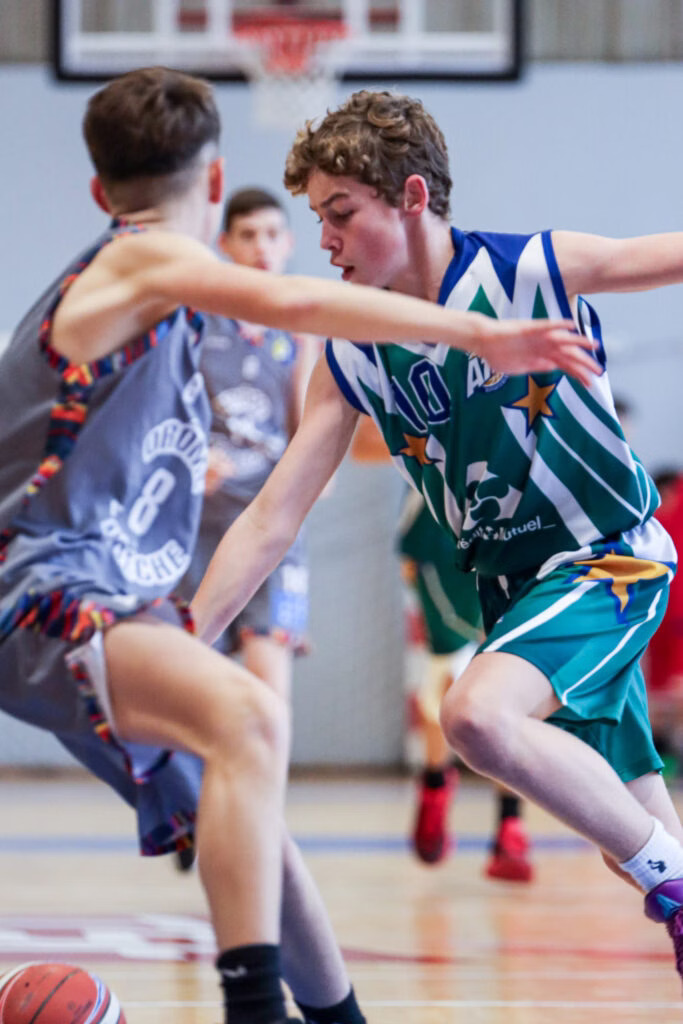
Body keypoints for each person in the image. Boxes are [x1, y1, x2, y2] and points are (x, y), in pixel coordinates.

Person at [0, 70, 586, 1024]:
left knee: (249, 815)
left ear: (99, 187)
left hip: (99, 597)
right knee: (252, 721)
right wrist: (479, 333)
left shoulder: (145, 291)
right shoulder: (142, 259)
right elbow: (304, 307)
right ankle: (255, 1010)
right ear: (215, 179)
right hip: (43, 593)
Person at [189, 89, 683, 986]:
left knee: (473, 717)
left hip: (607, 559)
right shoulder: (351, 348)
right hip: (514, 595)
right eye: (317, 218)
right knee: (634, 839)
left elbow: (656, 255)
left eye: (341, 213)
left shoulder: (532, 268)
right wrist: (187, 641)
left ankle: (674, 885)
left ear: (411, 197)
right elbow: (273, 515)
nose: (324, 239)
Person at [174, 187, 318, 871]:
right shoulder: (194, 321)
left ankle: (261, 826)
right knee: (193, 681)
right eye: (248, 235)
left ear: (287, 244)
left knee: (268, 683)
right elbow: (159, 414)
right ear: (224, 245)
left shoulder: (302, 330)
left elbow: (308, 432)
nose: (261, 248)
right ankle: (191, 806)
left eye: (272, 235)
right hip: (197, 525)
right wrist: (186, 456)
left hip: (270, 527)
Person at [352, 419, 533, 879]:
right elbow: (363, 445)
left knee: (513, 680)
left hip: (518, 533)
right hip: (440, 540)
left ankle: (510, 824)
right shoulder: (423, 382)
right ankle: (435, 781)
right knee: (448, 675)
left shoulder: (534, 385)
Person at [646, 468, 683, 779]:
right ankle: (662, 753)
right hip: (664, 616)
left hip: (667, 615)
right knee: (665, 690)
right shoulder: (663, 521)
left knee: (670, 689)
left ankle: (662, 753)